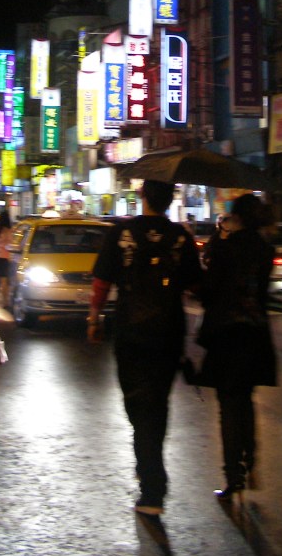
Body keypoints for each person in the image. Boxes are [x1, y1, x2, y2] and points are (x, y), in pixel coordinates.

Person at [87, 179, 203, 516]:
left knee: (137, 402)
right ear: (170, 200)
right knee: (157, 403)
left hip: (130, 330)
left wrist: (94, 319)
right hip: (169, 332)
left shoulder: (122, 234)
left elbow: (101, 282)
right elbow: (196, 284)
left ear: (142, 196)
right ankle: (150, 467)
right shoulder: (180, 237)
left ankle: (152, 485)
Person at [197, 194, 277, 499]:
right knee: (245, 399)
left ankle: (234, 475)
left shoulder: (225, 247)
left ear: (237, 217)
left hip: (226, 334)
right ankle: (250, 459)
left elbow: (209, 291)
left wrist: (217, 244)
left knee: (229, 405)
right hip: (255, 333)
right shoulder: (265, 249)